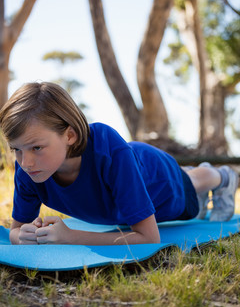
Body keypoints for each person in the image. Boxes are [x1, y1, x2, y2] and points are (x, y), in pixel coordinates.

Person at [0, 82, 238, 246]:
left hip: (156, 176)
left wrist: (71, 236)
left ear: (69, 135)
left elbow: (148, 238)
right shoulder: (28, 168)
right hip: (126, 176)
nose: (26, 162)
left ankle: (223, 176)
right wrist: (23, 236)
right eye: (16, 150)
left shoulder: (107, 150)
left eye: (37, 148)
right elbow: (15, 230)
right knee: (183, 187)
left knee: (190, 189)